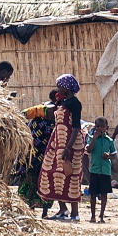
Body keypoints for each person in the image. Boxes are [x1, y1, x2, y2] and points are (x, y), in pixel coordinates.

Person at [38, 74, 84, 220]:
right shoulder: (65, 102)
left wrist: (68, 148)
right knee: (52, 172)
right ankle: (63, 209)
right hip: (58, 142)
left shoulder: (74, 104)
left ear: (66, 87)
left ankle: (75, 213)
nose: (58, 88)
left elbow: (76, 127)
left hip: (70, 144)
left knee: (71, 174)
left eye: (60, 86)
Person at [16, 89, 61, 215]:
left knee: (36, 178)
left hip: (37, 151)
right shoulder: (46, 110)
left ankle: (30, 207)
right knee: (41, 179)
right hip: (40, 151)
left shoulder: (41, 110)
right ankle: (36, 209)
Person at [86, 117, 115, 223]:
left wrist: (109, 155)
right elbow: (88, 150)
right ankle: (92, 216)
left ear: (106, 128)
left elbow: (114, 154)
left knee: (104, 194)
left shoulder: (109, 140)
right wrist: (94, 138)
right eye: (97, 126)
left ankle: (101, 216)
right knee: (93, 194)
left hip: (105, 171)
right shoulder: (90, 138)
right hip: (94, 170)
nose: (100, 128)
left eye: (102, 126)